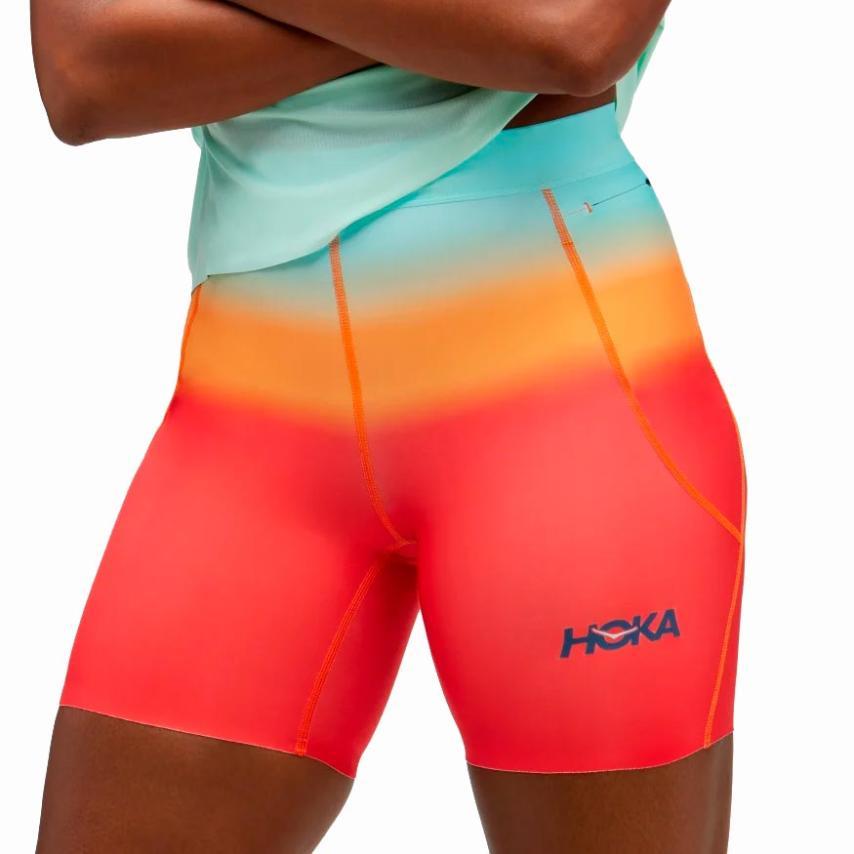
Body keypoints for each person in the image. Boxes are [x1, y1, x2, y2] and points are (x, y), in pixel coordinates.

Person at [32, 1, 745, 851]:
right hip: (252, 422)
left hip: (562, 395)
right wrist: (455, 35)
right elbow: (86, 73)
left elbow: (569, 31)